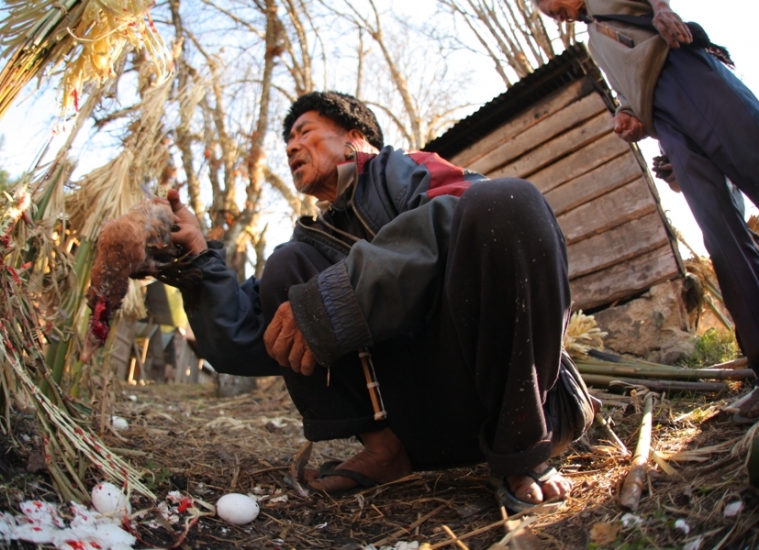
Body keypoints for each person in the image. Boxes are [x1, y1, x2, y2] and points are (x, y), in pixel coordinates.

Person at [164, 91, 589, 511]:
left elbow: (463, 212)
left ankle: (521, 450)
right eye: (287, 141)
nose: (291, 146)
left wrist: (340, 298)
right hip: (420, 427)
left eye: (304, 131)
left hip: (493, 397)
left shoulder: (407, 169)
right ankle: (384, 450)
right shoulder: (309, 243)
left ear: (356, 137)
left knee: (508, 198)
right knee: (286, 267)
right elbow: (243, 338)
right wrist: (198, 259)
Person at [534, 0, 759, 422]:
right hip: (667, 122)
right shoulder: (594, 42)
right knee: (722, 240)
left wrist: (661, 7)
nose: (553, 13)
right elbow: (632, 89)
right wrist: (628, 114)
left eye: (551, 4)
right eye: (546, 13)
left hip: (686, 74)